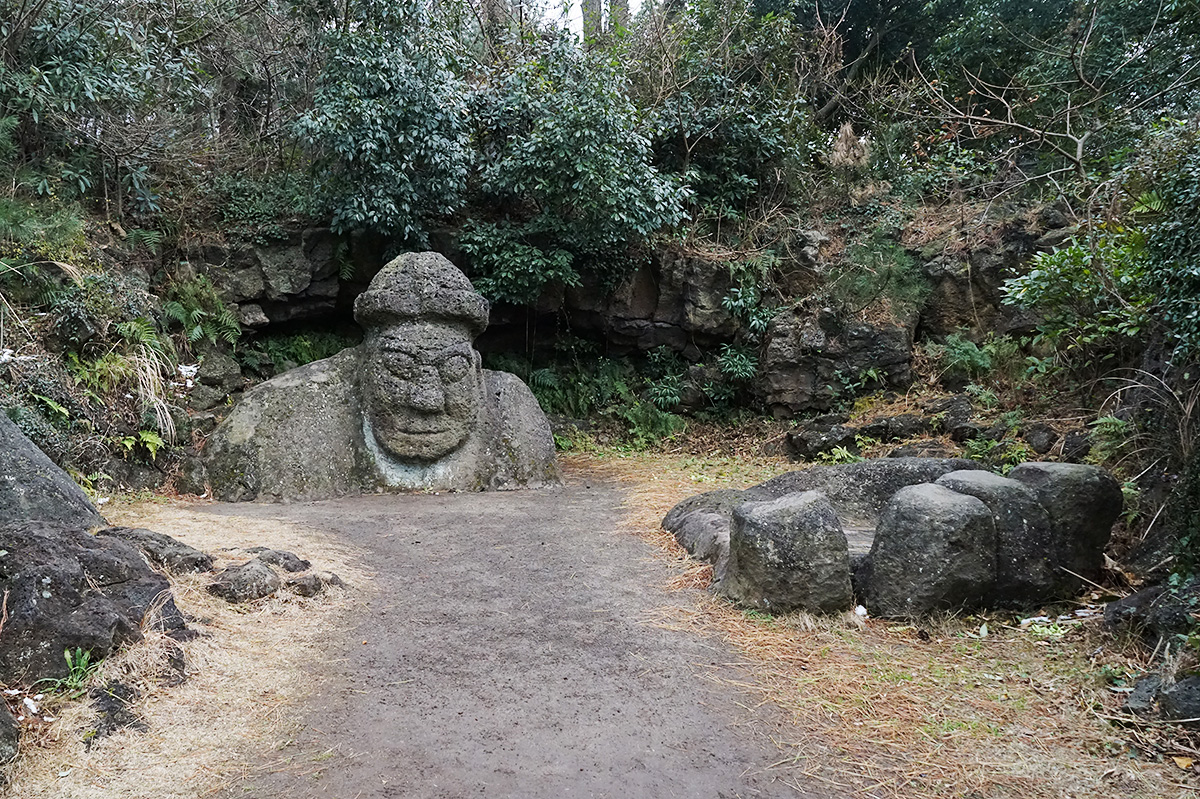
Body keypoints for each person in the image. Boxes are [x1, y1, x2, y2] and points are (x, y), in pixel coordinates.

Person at [189, 252, 559, 502]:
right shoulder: (281, 428)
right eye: (399, 367)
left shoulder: (512, 417)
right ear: (360, 368)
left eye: (453, 371)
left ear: (477, 372)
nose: (427, 401)